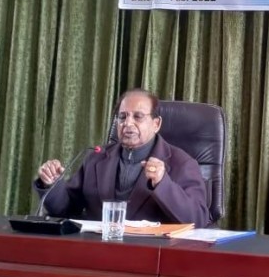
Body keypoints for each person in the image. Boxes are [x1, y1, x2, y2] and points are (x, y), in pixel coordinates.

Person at [36, 88, 210, 227]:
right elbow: (66, 209)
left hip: (152, 256)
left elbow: (198, 219)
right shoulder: (96, 157)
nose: (127, 123)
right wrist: (52, 184)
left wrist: (162, 182)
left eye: (138, 117)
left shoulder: (182, 163)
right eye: (122, 116)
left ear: (156, 124)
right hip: (97, 251)